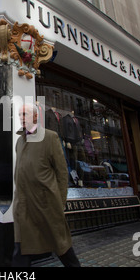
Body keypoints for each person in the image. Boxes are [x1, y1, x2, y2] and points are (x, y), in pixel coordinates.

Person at [12, 103, 81, 267]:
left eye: (25, 114)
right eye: (19, 114)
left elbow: (62, 173)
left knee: (62, 246)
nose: (21, 118)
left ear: (36, 116)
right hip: (23, 205)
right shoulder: (19, 141)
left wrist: (60, 202)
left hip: (46, 205)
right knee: (20, 249)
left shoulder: (50, 137)